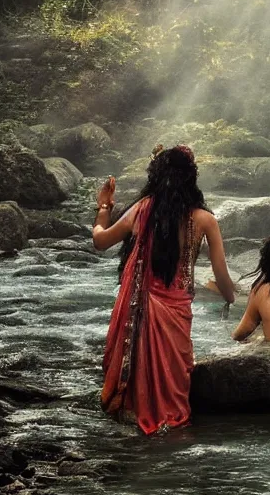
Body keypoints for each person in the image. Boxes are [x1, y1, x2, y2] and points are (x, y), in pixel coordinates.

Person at [93, 145, 236, 435]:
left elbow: (101, 241)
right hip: (178, 310)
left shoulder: (142, 210)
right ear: (191, 178)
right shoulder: (204, 219)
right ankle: (169, 423)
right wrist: (231, 298)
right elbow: (221, 273)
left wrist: (104, 208)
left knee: (143, 363)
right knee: (175, 372)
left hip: (143, 307)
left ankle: (135, 411)